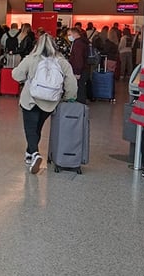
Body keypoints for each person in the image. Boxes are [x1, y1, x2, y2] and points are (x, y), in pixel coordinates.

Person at [11, 34, 78, 174]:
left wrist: (26, 78)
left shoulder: (31, 58)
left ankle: (35, 153)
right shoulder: (62, 62)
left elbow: (17, 75)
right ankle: (29, 154)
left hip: (31, 100)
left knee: (30, 129)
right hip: (50, 103)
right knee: (37, 128)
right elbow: (71, 83)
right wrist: (67, 98)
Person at [67, 27, 90, 104]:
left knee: (79, 89)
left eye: (70, 34)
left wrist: (77, 72)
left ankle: (79, 106)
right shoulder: (83, 42)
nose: (68, 36)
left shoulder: (78, 44)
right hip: (84, 69)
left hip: (80, 71)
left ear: (75, 34)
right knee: (81, 88)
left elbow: (78, 58)